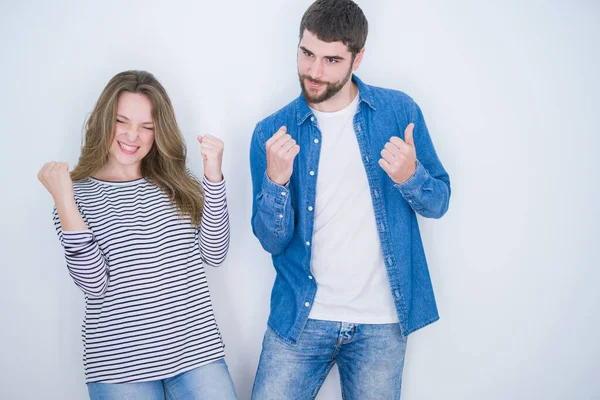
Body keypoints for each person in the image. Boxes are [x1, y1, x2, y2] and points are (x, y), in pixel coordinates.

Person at [249, 1, 451, 398]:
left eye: (332, 59)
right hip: (302, 318)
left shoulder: (398, 111)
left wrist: (411, 177)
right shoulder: (271, 131)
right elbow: (271, 241)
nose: (314, 71)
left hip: (381, 323)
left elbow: (439, 202)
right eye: (307, 53)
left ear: (358, 58)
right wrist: (276, 183)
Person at [38, 70, 237, 400]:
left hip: (196, 353)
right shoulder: (77, 196)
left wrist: (213, 177)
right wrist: (63, 199)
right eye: (122, 121)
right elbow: (93, 282)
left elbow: (214, 254)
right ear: (104, 121)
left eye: (147, 126)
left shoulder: (176, 182)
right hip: (120, 368)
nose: (133, 136)